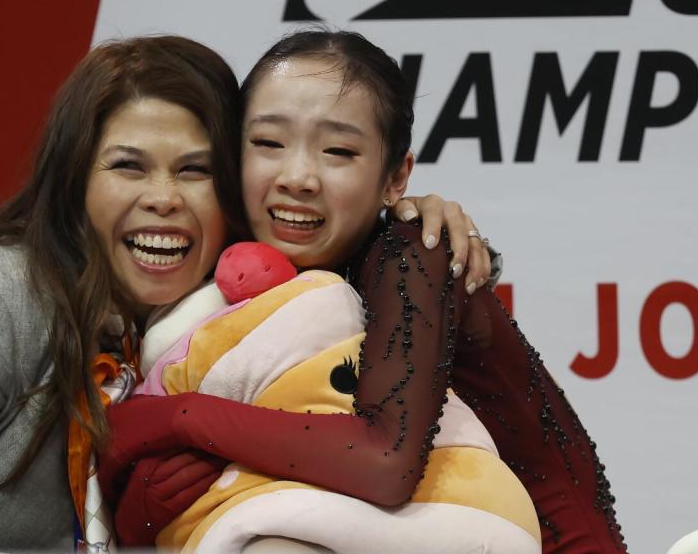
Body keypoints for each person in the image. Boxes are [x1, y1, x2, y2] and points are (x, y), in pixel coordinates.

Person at [0, 34, 486, 552]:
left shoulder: (246, 311)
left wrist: (405, 218)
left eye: (194, 171)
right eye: (128, 167)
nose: (162, 199)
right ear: (75, 184)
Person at [99, 31, 626, 554]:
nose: (298, 176)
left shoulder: (412, 250)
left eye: (338, 151)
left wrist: (175, 419)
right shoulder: (230, 261)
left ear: (396, 177)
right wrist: (144, 502)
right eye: (268, 143)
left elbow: (383, 463)